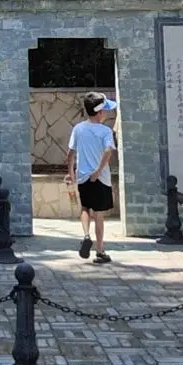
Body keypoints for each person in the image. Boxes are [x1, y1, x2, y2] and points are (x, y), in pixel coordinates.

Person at [66, 93, 118, 264]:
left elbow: (70, 154)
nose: (107, 113)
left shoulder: (78, 129)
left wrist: (71, 174)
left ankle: (86, 235)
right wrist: (98, 170)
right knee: (99, 216)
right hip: (101, 178)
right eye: (105, 110)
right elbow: (108, 151)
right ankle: (100, 250)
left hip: (82, 177)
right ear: (99, 112)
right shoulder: (105, 131)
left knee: (85, 208)